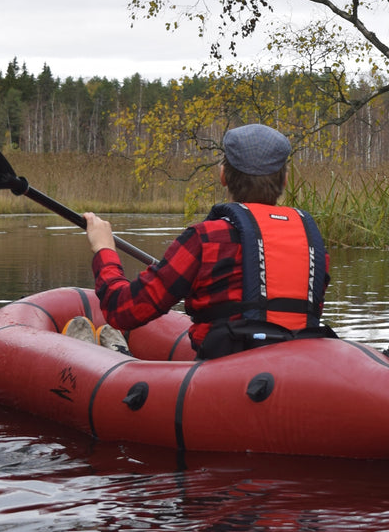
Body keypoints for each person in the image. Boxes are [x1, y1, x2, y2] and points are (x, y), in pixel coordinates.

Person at [64, 124, 333, 359]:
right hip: (298, 374)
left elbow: (122, 311)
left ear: (223, 176)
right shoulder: (312, 242)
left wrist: (104, 249)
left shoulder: (205, 240)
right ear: (285, 180)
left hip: (224, 379)